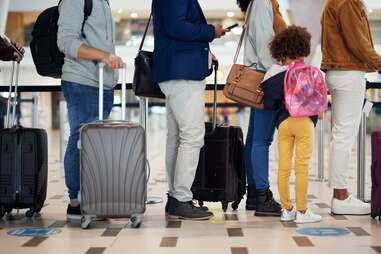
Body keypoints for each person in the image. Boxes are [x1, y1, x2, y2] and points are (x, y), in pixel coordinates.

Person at [152, 0, 229, 220]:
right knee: (192, 136)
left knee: (177, 137)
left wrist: (205, 52)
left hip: (177, 71)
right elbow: (177, 27)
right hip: (182, 73)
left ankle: (177, 198)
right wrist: (210, 31)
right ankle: (181, 199)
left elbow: (176, 28)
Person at [57, 0, 124, 220]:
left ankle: (92, 198)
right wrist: (103, 56)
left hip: (102, 84)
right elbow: (66, 41)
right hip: (82, 81)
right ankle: (75, 202)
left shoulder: (102, 2)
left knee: (93, 144)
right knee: (80, 138)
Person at [321, 0, 381, 215]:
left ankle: (340, 193)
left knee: (340, 135)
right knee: (344, 136)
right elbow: (358, 42)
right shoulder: (347, 2)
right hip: (348, 72)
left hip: (339, 71)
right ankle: (341, 196)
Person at [260, 25, 323, 223]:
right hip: (305, 123)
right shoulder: (311, 71)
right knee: (302, 166)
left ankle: (287, 210)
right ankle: (303, 212)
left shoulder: (274, 72)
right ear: (303, 47)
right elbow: (319, 99)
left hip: (284, 123)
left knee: (284, 167)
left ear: (279, 49)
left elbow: (268, 102)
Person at [236, 0, 286, 216]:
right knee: (261, 141)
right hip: (268, 77)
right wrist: (277, 75)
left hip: (263, 75)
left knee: (255, 139)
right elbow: (266, 43)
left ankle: (255, 194)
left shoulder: (259, 2)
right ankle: (263, 196)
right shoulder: (262, 2)